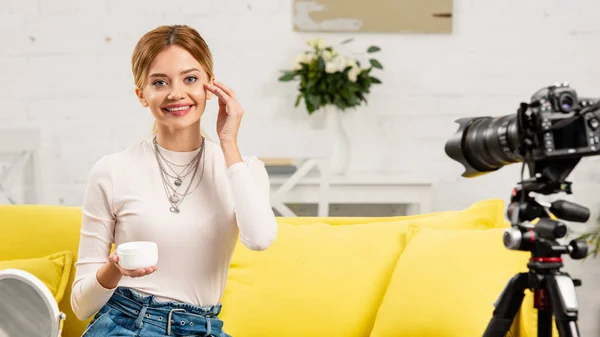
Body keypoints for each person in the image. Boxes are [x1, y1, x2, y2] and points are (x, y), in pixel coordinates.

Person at [70, 24, 278, 337]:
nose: (176, 93)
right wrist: (115, 268)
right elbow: (81, 305)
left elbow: (260, 239)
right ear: (142, 95)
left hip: (205, 328)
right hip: (128, 323)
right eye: (159, 82)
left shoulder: (244, 170)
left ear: (210, 84)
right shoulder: (111, 171)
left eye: (190, 78)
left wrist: (228, 141)